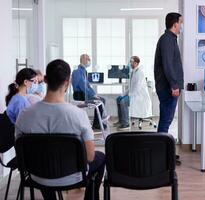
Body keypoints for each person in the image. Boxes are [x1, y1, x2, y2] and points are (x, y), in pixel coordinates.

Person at [15, 59, 105, 200]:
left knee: (44, 162)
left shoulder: (24, 115)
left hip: (38, 177)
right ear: (68, 82)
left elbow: (21, 155)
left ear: (44, 80)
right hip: (73, 177)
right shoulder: (78, 115)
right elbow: (89, 157)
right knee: (101, 158)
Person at [154, 12, 184, 165]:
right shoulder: (167, 40)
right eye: (181, 22)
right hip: (168, 88)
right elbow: (168, 65)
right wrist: (174, 85)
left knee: (166, 120)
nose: (181, 25)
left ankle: (163, 153)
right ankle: (161, 156)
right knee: (165, 121)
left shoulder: (170, 39)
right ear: (175, 24)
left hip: (170, 87)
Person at [114, 56, 152, 130]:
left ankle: (126, 124)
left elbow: (137, 88)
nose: (130, 63)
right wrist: (123, 95)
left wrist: (128, 96)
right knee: (119, 99)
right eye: (130, 61)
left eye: (131, 62)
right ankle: (121, 121)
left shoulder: (140, 73)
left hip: (139, 97)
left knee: (123, 102)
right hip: (134, 94)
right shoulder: (133, 72)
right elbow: (130, 87)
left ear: (136, 63)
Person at [72, 54, 107, 129]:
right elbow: (82, 86)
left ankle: (96, 123)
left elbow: (87, 85)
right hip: (80, 95)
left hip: (85, 93)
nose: (89, 61)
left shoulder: (83, 71)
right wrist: (93, 95)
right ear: (83, 60)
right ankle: (97, 124)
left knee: (102, 99)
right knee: (100, 101)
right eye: (88, 59)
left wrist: (94, 94)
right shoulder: (77, 71)